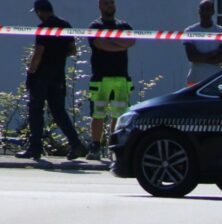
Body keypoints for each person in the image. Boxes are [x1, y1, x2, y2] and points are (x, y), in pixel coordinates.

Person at [16, 0, 88, 161]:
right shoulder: (66, 25)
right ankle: (76, 144)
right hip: (58, 76)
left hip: (41, 76)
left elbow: (39, 52)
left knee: (35, 110)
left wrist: (31, 72)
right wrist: (58, 55)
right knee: (59, 112)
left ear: (39, 12)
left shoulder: (43, 28)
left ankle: (35, 148)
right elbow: (73, 50)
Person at [86, 0, 136, 160]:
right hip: (101, 78)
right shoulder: (95, 26)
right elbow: (100, 44)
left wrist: (112, 42)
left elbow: (131, 41)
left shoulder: (124, 26)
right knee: (97, 114)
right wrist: (119, 44)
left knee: (119, 115)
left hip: (121, 78)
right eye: (107, 3)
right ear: (100, 6)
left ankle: (114, 146)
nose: (111, 6)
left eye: (112, 3)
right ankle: (95, 146)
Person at [183, 0, 222, 87]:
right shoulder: (190, 31)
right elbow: (191, 57)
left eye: (208, 9)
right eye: (202, 9)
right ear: (198, 11)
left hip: (215, 80)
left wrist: (200, 57)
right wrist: (213, 54)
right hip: (194, 79)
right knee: (192, 100)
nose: (205, 12)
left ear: (213, 12)